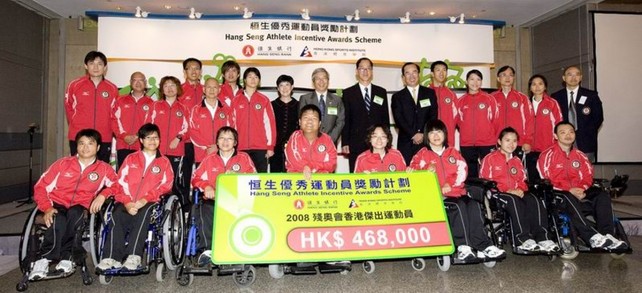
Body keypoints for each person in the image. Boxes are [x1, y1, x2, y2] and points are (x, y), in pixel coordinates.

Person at [408, 120, 506, 261]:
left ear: (445, 134)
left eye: (439, 131)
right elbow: (415, 175)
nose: (436, 135)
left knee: (474, 204)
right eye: (432, 132)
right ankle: (463, 247)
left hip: (456, 191)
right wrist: (423, 170)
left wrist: (450, 185)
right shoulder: (422, 155)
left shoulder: (453, 152)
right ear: (426, 136)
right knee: (458, 206)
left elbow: (462, 171)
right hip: (437, 196)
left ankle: (484, 245)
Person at [29, 129, 118, 280]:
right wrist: (47, 207)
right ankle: (44, 259)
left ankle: (66, 257)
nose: (85, 147)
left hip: (82, 205)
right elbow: (40, 187)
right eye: (81, 143)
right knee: (58, 219)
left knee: (75, 214)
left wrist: (103, 195)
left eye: (90, 143)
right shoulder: (62, 164)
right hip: (57, 203)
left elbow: (117, 185)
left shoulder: (104, 168)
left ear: (97, 148)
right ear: (76, 146)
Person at [95, 123, 174, 272]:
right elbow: (120, 183)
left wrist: (144, 199)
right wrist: (127, 202)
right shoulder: (131, 159)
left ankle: (134, 256)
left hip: (150, 202)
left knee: (144, 214)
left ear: (160, 140)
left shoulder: (164, 162)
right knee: (117, 214)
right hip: (127, 201)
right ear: (141, 140)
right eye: (148, 137)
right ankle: (111, 257)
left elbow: (166, 185)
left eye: (155, 137)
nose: (152, 141)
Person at [538, 122, 626, 250]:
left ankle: (608, 235)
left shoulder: (580, 156)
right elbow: (546, 178)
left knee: (602, 194)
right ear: (555, 136)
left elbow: (588, 176)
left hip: (580, 192)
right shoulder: (547, 155)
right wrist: (569, 190)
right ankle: (591, 236)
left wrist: (582, 189)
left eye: (571, 132)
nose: (568, 135)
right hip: (558, 195)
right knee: (567, 195)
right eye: (563, 132)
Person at [480, 127, 559, 252]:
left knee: (534, 199)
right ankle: (522, 239)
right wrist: (507, 190)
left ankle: (543, 238)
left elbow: (522, 179)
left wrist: (520, 189)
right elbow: (486, 180)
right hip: (496, 194)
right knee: (513, 200)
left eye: (514, 141)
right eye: (507, 140)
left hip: (515, 192)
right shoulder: (489, 159)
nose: (511, 144)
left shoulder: (516, 160)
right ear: (499, 141)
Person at [191, 126, 256, 265]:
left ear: (235, 142)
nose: (225, 142)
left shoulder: (244, 158)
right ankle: (208, 250)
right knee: (203, 209)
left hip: (237, 199)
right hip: (213, 199)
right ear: (217, 142)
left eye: (229, 139)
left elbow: (254, 178)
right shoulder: (209, 159)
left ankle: (238, 248)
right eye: (222, 138)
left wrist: (238, 176)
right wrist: (206, 186)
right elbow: (195, 178)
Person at [64, 51, 118, 163]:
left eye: (99, 64)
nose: (96, 67)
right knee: (78, 170)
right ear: (85, 66)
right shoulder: (74, 85)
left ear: (105, 67)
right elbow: (69, 109)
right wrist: (76, 126)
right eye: (92, 63)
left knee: (101, 171)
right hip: (79, 137)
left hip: (104, 137)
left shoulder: (112, 88)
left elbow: (114, 114)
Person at [147, 76, 190, 206]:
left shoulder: (184, 108)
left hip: (176, 152)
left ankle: (181, 210)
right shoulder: (154, 106)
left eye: (172, 85)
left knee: (175, 182)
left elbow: (188, 129)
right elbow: (148, 127)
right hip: (156, 152)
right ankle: (156, 208)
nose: (170, 88)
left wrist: (178, 138)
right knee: (155, 181)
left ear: (178, 88)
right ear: (162, 89)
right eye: (166, 86)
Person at [342, 58, 390, 172]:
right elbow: (346, 119)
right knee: (356, 174)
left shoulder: (381, 92)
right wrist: (345, 142)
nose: (365, 71)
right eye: (362, 68)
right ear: (356, 71)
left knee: (378, 173)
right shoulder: (348, 93)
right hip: (356, 141)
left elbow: (385, 118)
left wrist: (388, 139)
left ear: (372, 71)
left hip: (377, 142)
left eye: (368, 68)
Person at [551, 66, 604, 162]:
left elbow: (598, 118)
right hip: (562, 142)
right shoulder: (556, 97)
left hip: (586, 142)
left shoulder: (591, 95)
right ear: (564, 78)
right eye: (569, 74)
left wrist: (587, 131)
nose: (573, 77)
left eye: (577, 74)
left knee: (585, 172)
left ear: (581, 77)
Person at [391, 62, 438, 165]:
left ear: (419, 74)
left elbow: (433, 116)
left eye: (414, 72)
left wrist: (423, 134)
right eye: (407, 73)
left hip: (426, 141)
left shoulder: (429, 93)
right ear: (403, 77)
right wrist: (413, 134)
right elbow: (399, 119)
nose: (411, 76)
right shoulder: (397, 97)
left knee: (427, 172)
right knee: (407, 173)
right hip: (406, 142)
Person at [231, 67, 276, 173]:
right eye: (250, 77)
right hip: (240, 147)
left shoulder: (264, 100)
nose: (253, 79)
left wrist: (270, 146)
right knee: (241, 180)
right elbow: (232, 124)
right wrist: (233, 144)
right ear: (244, 80)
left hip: (260, 148)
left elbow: (270, 124)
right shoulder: (236, 100)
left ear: (259, 81)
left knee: (259, 179)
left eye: (256, 77)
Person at [455, 70, 499, 178]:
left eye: (478, 79)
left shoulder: (489, 99)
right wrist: (467, 132)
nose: (475, 82)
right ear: (466, 81)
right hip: (467, 144)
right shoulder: (460, 101)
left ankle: (489, 194)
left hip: (487, 143)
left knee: (489, 171)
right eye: (472, 79)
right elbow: (458, 122)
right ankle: (473, 193)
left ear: (481, 82)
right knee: (470, 173)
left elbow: (496, 120)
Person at [112, 71, 154, 169]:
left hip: (142, 145)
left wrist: (137, 136)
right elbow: (114, 120)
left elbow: (151, 123)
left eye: (141, 80)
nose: (138, 83)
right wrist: (123, 136)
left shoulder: (151, 103)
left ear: (145, 83)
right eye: (135, 80)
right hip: (123, 144)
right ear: (130, 83)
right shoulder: (120, 100)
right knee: (123, 175)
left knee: (140, 176)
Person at [491, 66, 534, 157]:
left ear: (513, 78)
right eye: (504, 75)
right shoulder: (491, 98)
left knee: (516, 170)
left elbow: (530, 121)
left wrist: (527, 141)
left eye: (510, 75)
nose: (507, 78)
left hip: (517, 143)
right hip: (496, 143)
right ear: (498, 79)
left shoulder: (522, 98)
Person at [525, 74, 562, 183]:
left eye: (540, 84)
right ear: (530, 88)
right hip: (529, 149)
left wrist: (556, 144)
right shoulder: (525, 103)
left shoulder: (552, 103)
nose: (537, 87)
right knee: (531, 179)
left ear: (545, 87)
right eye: (534, 84)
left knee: (547, 179)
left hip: (547, 148)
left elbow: (559, 124)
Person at [285, 104, 337, 179]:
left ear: (319, 123)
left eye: (314, 118)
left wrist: (311, 166)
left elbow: (332, 164)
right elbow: (295, 161)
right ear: (300, 122)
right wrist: (314, 168)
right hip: (297, 182)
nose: (309, 121)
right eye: (306, 118)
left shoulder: (327, 140)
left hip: (321, 183)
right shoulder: (294, 137)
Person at [189, 77, 231, 166]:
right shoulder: (196, 109)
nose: (212, 90)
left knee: (221, 179)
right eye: (209, 87)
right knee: (202, 180)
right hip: (202, 154)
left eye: (215, 87)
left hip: (223, 153)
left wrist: (218, 146)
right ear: (204, 89)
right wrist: (208, 146)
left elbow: (230, 130)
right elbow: (193, 132)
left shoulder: (226, 109)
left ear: (219, 90)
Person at [179, 58, 204, 203]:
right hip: (187, 140)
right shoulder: (179, 90)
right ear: (184, 72)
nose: (194, 71)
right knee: (185, 173)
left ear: (201, 71)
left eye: (197, 68)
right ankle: (184, 205)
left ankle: (202, 203)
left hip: (204, 141)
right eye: (190, 68)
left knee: (203, 173)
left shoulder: (207, 89)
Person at [299, 68, 345, 145]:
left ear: (328, 81)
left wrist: (329, 139)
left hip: (331, 142)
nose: (321, 81)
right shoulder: (305, 99)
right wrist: (312, 138)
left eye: (324, 78)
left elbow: (340, 121)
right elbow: (302, 121)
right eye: (318, 79)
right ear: (313, 82)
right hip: (309, 142)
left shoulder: (337, 100)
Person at [271, 75, 299, 173]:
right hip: (276, 147)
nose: (285, 88)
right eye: (281, 85)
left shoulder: (299, 105)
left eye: (287, 85)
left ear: (292, 87)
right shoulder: (271, 105)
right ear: (278, 88)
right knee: (276, 174)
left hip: (295, 146)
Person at [429, 61, 459, 147]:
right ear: (432, 73)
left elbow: (456, 118)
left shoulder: (451, 94)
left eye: (444, 70)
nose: (441, 73)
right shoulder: (425, 93)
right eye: (438, 70)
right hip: (430, 137)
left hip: (448, 139)